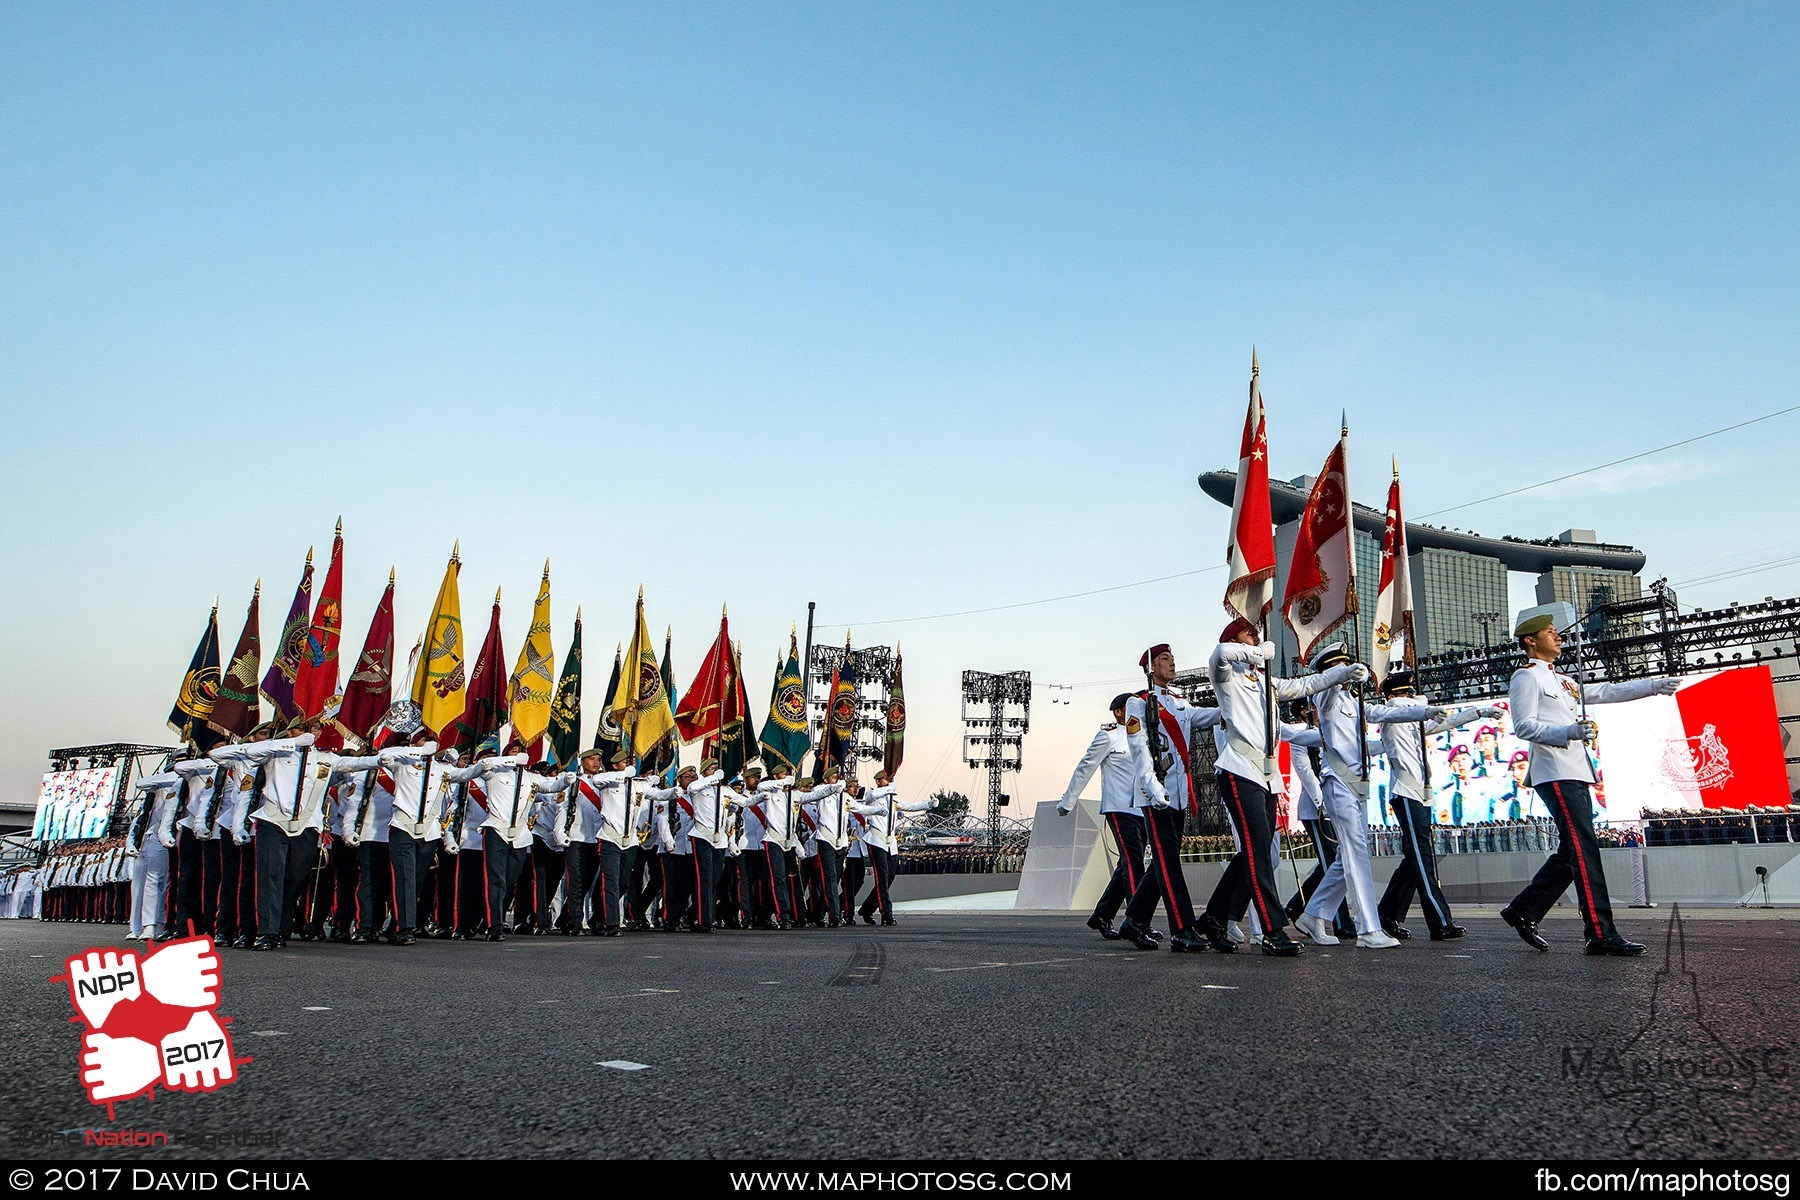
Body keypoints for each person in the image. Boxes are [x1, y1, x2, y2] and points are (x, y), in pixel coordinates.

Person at [1500, 607, 1679, 956]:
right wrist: (1567, 731)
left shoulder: (1563, 680)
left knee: (1572, 851)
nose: (1558, 635)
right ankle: (1600, 932)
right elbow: (1523, 726)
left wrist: (1654, 686)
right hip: (1555, 770)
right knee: (1584, 850)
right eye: (1550, 631)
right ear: (1530, 640)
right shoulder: (1526, 677)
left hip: (1575, 771)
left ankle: (1524, 910)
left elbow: (1607, 692)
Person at [1198, 619, 1363, 956]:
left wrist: (1343, 674)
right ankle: (1273, 931)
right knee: (1260, 853)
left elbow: (1308, 685)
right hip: (1239, 770)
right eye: (1249, 634)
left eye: (1257, 635)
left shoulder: (1267, 682)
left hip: (1267, 777)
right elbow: (1220, 654)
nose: (1256, 637)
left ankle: (1213, 917)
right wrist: (1256, 652)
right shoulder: (1227, 676)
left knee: (1256, 853)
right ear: (1237, 641)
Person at [1372, 669, 1498, 941]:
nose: (1411, 696)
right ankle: (1440, 921)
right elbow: (1402, 708)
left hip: (1420, 792)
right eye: (1406, 692)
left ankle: (1387, 915)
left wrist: (1478, 712)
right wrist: (1420, 704)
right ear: (1395, 695)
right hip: (1406, 791)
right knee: (1422, 858)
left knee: (1413, 859)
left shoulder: (1414, 718)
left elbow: (1446, 723)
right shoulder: (1394, 713)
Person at [1117, 644, 1222, 953]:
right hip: (1155, 793)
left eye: (1173, 658)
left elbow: (1205, 717)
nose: (1172, 663)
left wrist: (1234, 704)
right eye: (1165, 659)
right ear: (1150, 667)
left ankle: (1135, 920)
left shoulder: (1179, 702)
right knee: (1169, 862)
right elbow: (1138, 748)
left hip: (1177, 793)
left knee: (1163, 861)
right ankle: (1182, 927)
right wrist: (1151, 785)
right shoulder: (1139, 704)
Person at [1056, 693, 1163, 939]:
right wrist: (1068, 801)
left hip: (1141, 807)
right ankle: (1139, 922)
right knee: (1134, 861)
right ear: (1118, 712)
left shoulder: (1143, 737)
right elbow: (1086, 767)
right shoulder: (1108, 736)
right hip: (1119, 808)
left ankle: (1103, 915)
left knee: (1127, 863)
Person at [849, 771, 936, 926]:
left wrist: (928, 804)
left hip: (890, 843)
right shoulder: (873, 796)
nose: (887, 781)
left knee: (890, 877)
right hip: (876, 840)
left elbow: (910, 806)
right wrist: (889, 788)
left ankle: (868, 908)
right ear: (877, 781)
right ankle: (886, 913)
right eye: (884, 779)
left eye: (888, 779)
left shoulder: (893, 798)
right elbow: (868, 798)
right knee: (881, 876)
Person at [125, 770, 180, 941]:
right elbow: (141, 784)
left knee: (155, 882)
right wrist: (130, 842)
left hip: (161, 837)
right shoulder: (157, 787)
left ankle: (152, 925)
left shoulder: (176, 783)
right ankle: (136, 926)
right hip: (146, 839)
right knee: (138, 886)